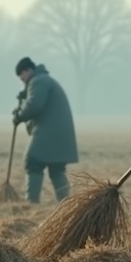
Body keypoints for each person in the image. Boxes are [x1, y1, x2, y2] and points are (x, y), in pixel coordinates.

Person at [12, 57, 79, 204]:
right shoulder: (43, 80)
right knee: (56, 168)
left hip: (49, 132)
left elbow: (35, 106)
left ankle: (31, 203)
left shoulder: (38, 81)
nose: (22, 80)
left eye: (22, 76)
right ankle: (66, 204)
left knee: (33, 161)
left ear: (28, 70)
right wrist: (25, 97)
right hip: (58, 133)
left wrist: (19, 116)